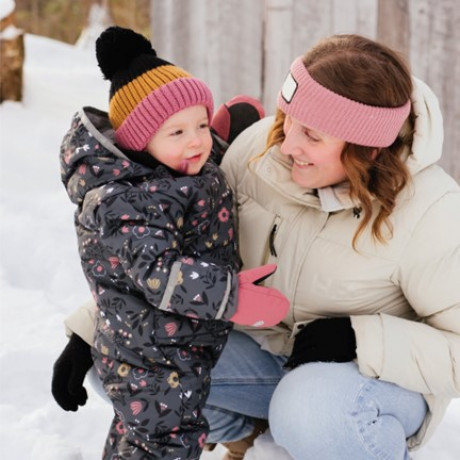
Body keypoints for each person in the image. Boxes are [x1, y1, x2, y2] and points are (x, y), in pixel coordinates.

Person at [53, 32, 460, 460]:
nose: (288, 145)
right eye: (288, 121)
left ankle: (330, 439)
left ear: (368, 149)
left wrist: (362, 339)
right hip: (268, 355)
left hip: (366, 385)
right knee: (121, 362)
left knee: (312, 409)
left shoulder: (431, 211)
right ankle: (255, 441)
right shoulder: (261, 151)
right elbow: (178, 256)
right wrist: (89, 331)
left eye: (313, 137)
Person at [56, 26, 289, 460]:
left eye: (200, 124)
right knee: (166, 444)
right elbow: (160, 275)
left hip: (170, 340)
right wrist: (232, 297)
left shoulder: (171, 172)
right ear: (139, 141)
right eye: (177, 132)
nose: (197, 141)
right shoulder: (131, 201)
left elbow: (196, 178)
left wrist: (226, 139)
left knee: (137, 436)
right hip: (154, 356)